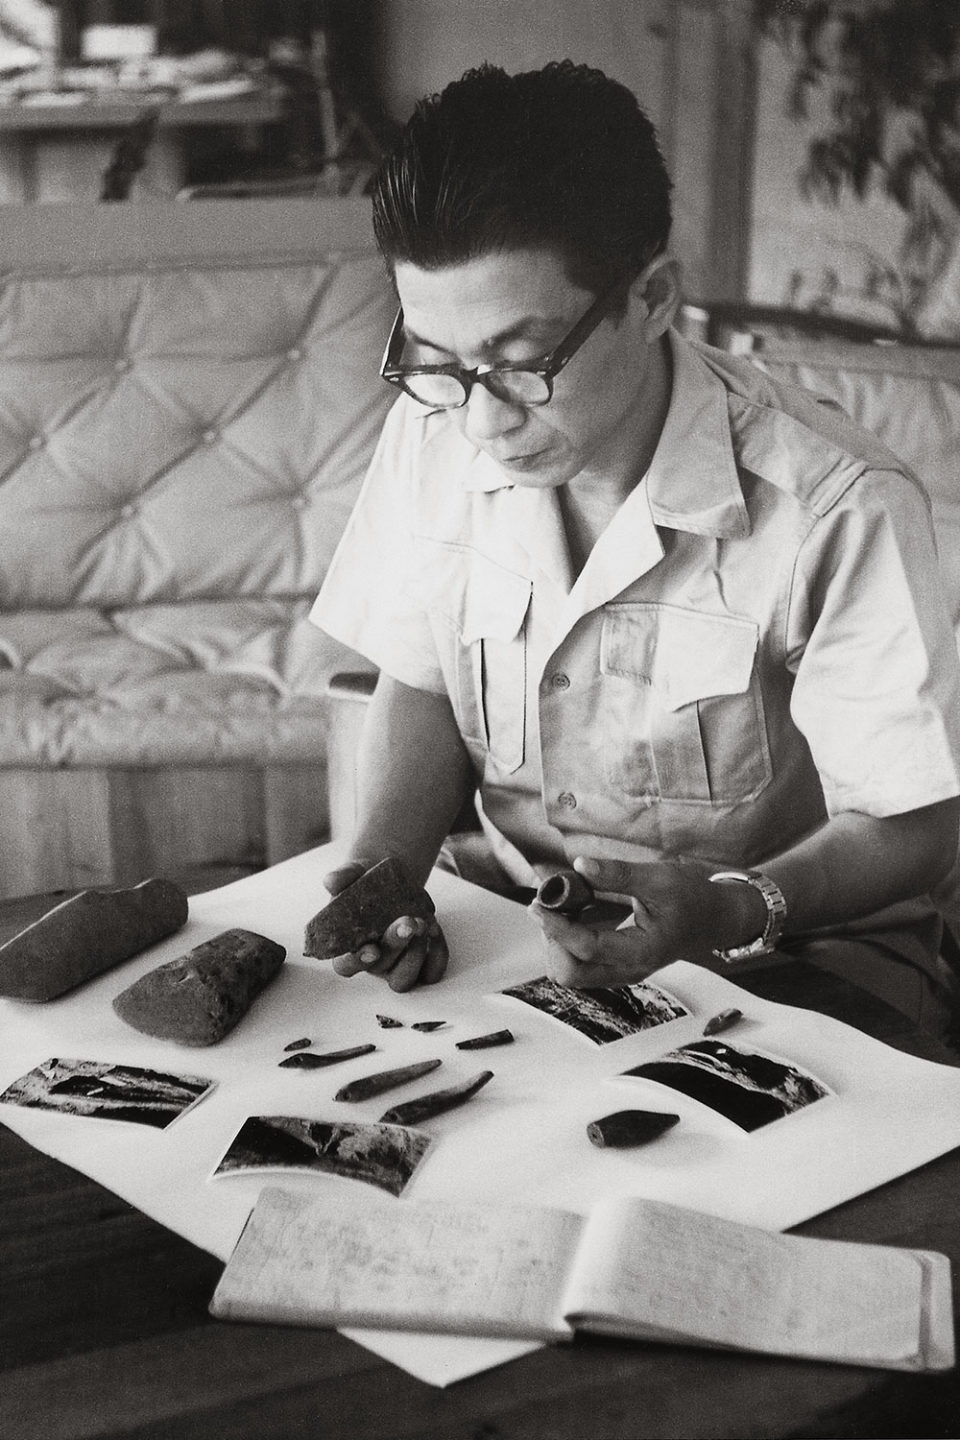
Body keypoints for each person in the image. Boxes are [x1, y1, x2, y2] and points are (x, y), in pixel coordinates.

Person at [311, 59, 960, 1031]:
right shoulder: (434, 427)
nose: (479, 419)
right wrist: (385, 873)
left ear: (652, 297)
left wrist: (729, 904)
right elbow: (423, 680)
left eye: (522, 364)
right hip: (512, 917)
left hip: (795, 946)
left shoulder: (839, 505)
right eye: (439, 362)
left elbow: (916, 830)